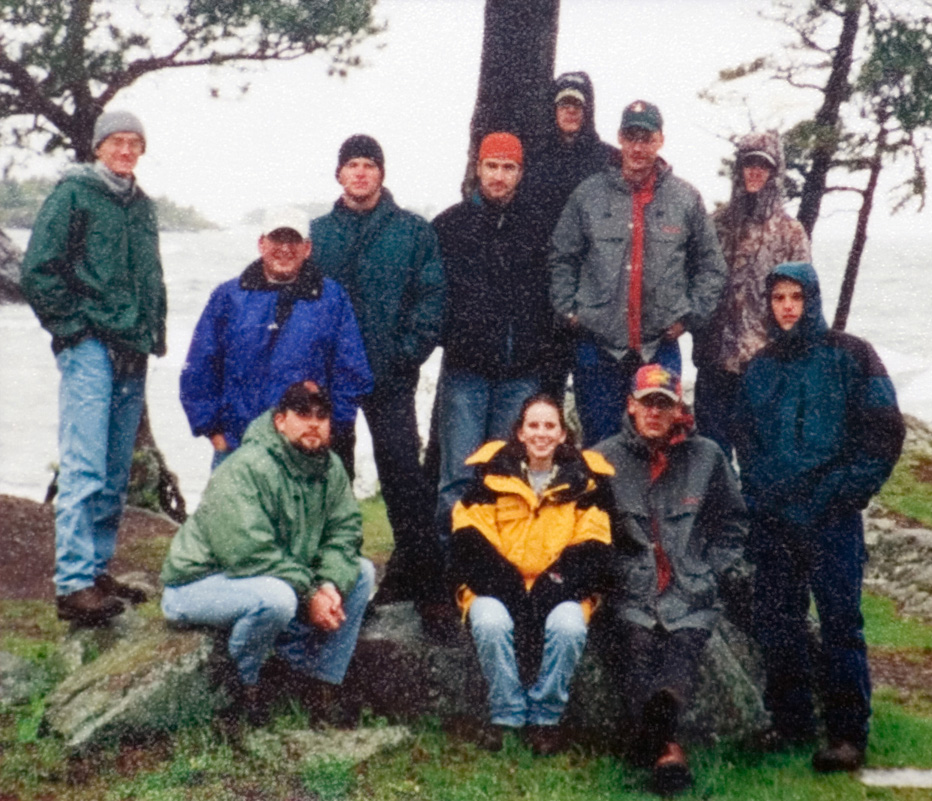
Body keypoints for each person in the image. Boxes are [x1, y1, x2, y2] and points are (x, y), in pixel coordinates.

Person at [733, 262, 905, 773]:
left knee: (840, 623)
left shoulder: (852, 355)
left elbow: (882, 434)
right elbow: (746, 439)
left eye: (796, 297)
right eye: (778, 297)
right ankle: (791, 721)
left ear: (813, 300)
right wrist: (761, 493)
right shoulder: (758, 366)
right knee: (777, 620)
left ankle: (848, 734)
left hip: (833, 516)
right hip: (775, 517)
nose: (787, 306)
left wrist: (843, 490)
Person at [20, 110, 167, 625]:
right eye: (117, 142)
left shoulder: (141, 205)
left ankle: (97, 569)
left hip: (132, 348)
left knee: (113, 469)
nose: (126, 151)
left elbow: (149, 275)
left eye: (135, 143)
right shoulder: (74, 195)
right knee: (83, 467)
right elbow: (38, 271)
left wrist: (153, 333)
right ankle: (72, 583)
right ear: (99, 147)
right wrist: (74, 330)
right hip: (89, 347)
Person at [161, 383, 375, 726]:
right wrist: (310, 594)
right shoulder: (246, 466)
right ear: (279, 421)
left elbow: (345, 533)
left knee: (361, 573)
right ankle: (242, 688)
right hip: (198, 584)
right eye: (302, 414)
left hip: (262, 579)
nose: (313, 424)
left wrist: (330, 585)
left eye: (322, 416)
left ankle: (319, 684)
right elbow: (247, 552)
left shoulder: (330, 468)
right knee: (278, 599)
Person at [594, 364, 746, 795]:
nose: (655, 413)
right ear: (631, 405)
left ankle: (656, 740)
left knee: (683, 649)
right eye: (647, 404)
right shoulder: (603, 459)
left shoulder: (708, 456)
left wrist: (711, 570)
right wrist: (612, 576)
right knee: (634, 649)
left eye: (664, 404)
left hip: (689, 591)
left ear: (678, 408)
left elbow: (733, 523)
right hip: (631, 593)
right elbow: (590, 530)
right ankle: (669, 750)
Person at [310, 134, 446, 612]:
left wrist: (405, 354)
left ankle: (423, 587)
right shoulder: (319, 234)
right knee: (333, 481)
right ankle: (338, 583)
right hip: (332, 386)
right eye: (353, 165)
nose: (361, 173)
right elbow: (301, 299)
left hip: (391, 376)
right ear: (339, 174)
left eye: (370, 164)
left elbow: (432, 300)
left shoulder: (411, 231)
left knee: (404, 479)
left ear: (382, 173)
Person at [550, 100, 727, 447]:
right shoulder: (589, 194)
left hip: (658, 346)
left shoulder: (685, 198)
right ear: (619, 138)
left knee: (662, 444)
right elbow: (561, 257)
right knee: (600, 448)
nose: (637, 148)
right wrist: (569, 312)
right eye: (631, 137)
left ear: (660, 140)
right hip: (597, 346)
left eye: (646, 138)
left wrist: (688, 317)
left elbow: (711, 267)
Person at [450, 394, 614, 755]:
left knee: (569, 627)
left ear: (562, 435)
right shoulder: (489, 477)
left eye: (550, 426)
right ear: (520, 433)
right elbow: (469, 538)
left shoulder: (586, 482)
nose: (541, 433)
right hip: (497, 583)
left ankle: (545, 717)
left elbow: (594, 545)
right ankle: (507, 712)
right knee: (490, 623)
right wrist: (511, 588)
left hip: (559, 586)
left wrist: (547, 588)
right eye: (533, 425)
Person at [432, 132, 554, 544]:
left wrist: (539, 347)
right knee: (459, 478)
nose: (499, 176)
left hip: (521, 372)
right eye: (492, 166)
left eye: (508, 167)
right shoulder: (449, 226)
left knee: (510, 475)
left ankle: (504, 573)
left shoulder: (538, 225)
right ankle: (455, 579)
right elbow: (433, 295)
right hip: (466, 372)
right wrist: (454, 336)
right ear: (478, 168)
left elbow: (550, 294)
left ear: (520, 173)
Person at [179, 215, 372, 473]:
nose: (284, 248)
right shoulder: (228, 296)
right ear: (261, 244)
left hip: (305, 451)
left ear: (307, 248)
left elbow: (351, 370)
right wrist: (212, 430)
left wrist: (332, 428)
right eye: (276, 239)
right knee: (233, 514)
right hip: (238, 446)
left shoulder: (332, 298)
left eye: (293, 240)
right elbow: (199, 366)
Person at [692, 131, 810, 456]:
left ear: (774, 172)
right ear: (740, 169)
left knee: (760, 456)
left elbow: (802, 303)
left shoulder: (790, 233)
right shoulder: (716, 224)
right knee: (711, 455)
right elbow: (697, 281)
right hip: (714, 360)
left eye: (764, 166)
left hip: (764, 365)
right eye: (749, 164)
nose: (755, 172)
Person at [523, 71, 620, 401]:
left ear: (588, 110)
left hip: (597, 297)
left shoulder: (608, 160)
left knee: (597, 399)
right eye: (564, 104)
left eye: (578, 105)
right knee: (545, 395)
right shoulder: (533, 160)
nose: (570, 112)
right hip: (543, 298)